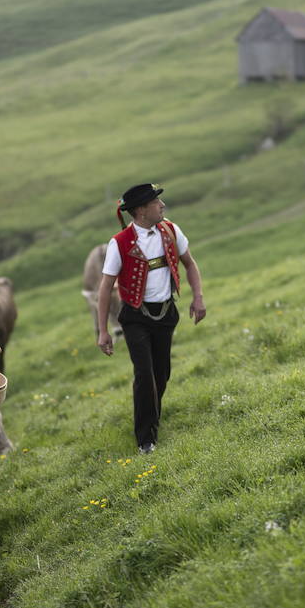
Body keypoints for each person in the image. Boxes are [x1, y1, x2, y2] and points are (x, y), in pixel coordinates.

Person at [96, 183, 206, 454]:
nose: (162, 206)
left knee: (162, 373)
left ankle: (151, 417)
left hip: (166, 313)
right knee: (144, 374)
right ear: (141, 210)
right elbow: (104, 288)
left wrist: (198, 297)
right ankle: (146, 440)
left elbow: (189, 264)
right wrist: (103, 331)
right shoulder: (119, 243)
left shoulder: (171, 230)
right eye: (157, 203)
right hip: (135, 317)